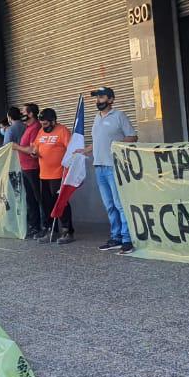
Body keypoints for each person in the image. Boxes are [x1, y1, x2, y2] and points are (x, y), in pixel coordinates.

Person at [77, 87, 139, 255]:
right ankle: (115, 237)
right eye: (97, 98)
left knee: (119, 204)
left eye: (102, 97)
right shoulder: (97, 118)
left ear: (111, 99)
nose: (98, 100)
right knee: (109, 205)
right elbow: (99, 141)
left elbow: (133, 136)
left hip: (114, 167)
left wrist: (116, 145)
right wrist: (86, 150)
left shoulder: (119, 116)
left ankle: (127, 239)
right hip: (99, 167)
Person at [14, 108, 74, 242]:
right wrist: (34, 153)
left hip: (58, 174)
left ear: (53, 121)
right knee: (47, 204)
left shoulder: (62, 131)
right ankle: (51, 230)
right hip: (44, 175)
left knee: (61, 202)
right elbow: (35, 147)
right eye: (41, 124)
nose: (43, 126)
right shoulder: (41, 131)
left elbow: (71, 149)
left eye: (46, 124)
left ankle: (67, 231)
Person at [16, 103, 42, 240]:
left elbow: (32, 150)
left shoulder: (36, 127)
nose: (21, 114)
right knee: (30, 199)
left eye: (23, 112)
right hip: (25, 167)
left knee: (38, 198)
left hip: (33, 168)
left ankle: (44, 226)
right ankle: (34, 226)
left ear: (31, 114)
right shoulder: (27, 128)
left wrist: (17, 147)